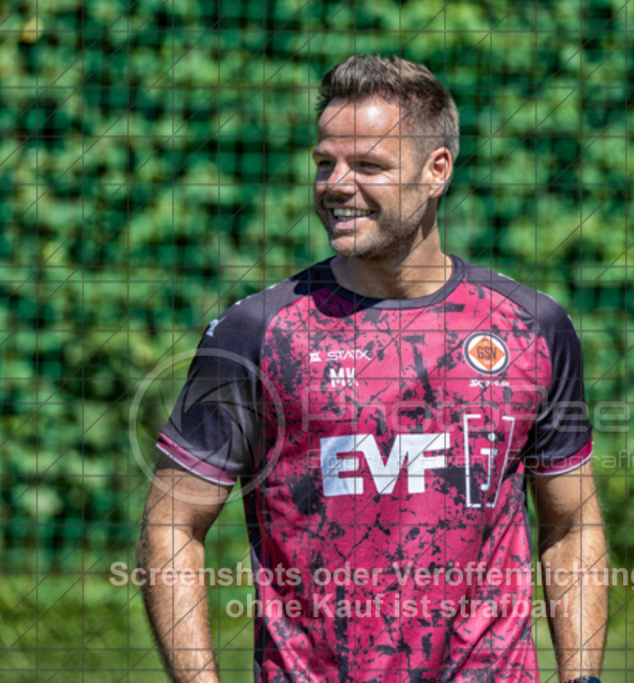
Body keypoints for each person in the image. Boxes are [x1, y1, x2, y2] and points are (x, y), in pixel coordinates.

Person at [137, 54, 608, 683]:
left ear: (436, 171)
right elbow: (171, 521)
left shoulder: (531, 327)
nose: (336, 183)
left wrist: (583, 679)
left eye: (368, 166)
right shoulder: (259, 332)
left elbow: (572, 523)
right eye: (325, 163)